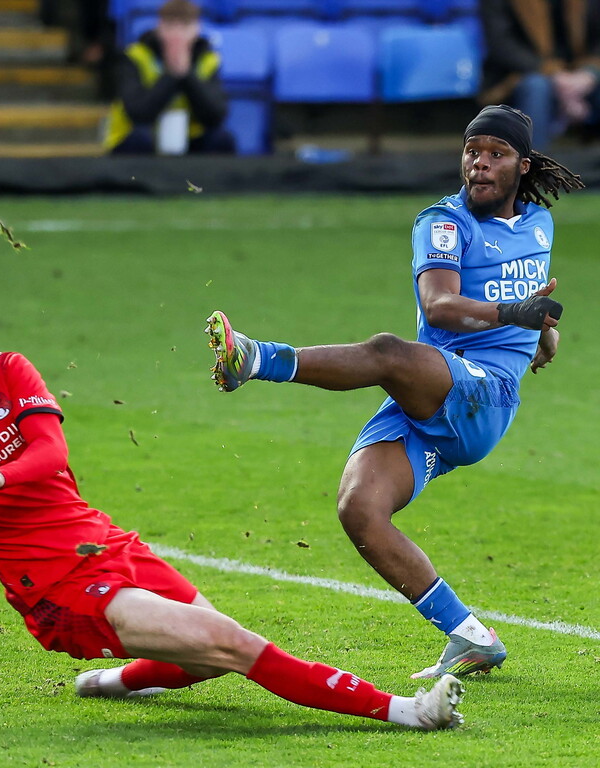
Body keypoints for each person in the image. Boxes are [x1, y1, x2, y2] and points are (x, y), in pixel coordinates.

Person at [0, 284, 464, 731]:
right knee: (229, 642)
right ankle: (407, 711)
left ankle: (114, 682)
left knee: (203, 659)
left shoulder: (9, 373)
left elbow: (50, 454)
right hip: (57, 590)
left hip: (107, 545)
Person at [205, 104, 584, 681]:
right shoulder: (442, 222)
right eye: (471, 151)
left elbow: (529, 309)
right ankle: (469, 635)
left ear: (522, 165)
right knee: (360, 508)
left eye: (495, 154)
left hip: (486, 398)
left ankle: (254, 358)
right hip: (432, 388)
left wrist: (543, 332)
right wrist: (521, 314)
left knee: (386, 352)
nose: (479, 164)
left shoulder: (539, 226)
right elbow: (440, 306)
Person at [104, 0, 234, 155]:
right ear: (159, 27)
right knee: (140, 138)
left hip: (189, 139)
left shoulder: (208, 60)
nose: (177, 34)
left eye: (185, 26)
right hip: (143, 138)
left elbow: (216, 115)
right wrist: (171, 75)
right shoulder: (135, 56)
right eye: (170, 26)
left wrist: (187, 75)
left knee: (221, 139)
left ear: (197, 28)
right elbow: (137, 113)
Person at [479, 0, 600, 149]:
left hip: (580, 74)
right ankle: (534, 164)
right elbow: (501, 45)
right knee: (537, 87)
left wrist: (589, 74)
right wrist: (555, 76)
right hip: (517, 75)